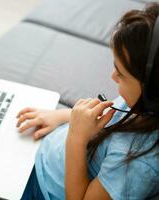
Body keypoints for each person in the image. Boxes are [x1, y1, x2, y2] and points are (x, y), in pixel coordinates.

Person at [17, 3, 159, 200]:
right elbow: (111, 117)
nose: (113, 77)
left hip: (44, 188)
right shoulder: (143, 106)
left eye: (121, 74)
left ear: (152, 92)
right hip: (49, 154)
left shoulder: (138, 164)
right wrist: (62, 116)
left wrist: (76, 136)